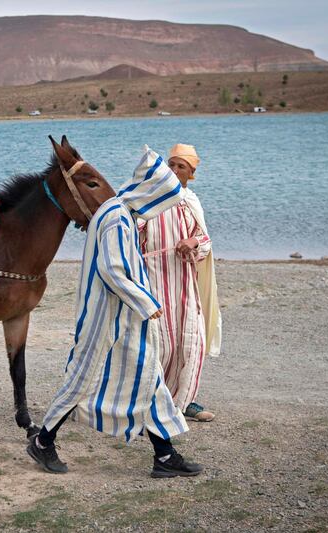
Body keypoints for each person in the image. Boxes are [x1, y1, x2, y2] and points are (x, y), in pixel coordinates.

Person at [26, 146, 203, 479]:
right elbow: (112, 270)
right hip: (108, 320)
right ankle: (44, 441)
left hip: (123, 318)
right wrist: (147, 303)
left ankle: (164, 456)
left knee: (148, 378)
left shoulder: (121, 213)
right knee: (82, 379)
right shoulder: (117, 218)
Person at [138, 144, 221, 422]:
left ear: (191, 173)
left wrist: (192, 242)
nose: (173, 170)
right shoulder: (149, 199)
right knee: (159, 343)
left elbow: (205, 241)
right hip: (153, 283)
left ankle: (185, 401)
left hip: (185, 284)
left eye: (180, 167)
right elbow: (131, 235)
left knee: (191, 341)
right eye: (170, 165)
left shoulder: (191, 202)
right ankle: (151, 401)